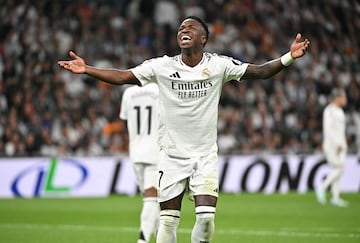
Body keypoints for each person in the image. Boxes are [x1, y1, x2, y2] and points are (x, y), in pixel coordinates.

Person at [58, 16, 310, 243]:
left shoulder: (219, 65)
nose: (183, 29)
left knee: (206, 217)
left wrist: (288, 58)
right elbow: (123, 76)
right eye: (181, 27)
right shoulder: (162, 66)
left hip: (204, 156)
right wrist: (87, 69)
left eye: (191, 27)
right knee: (167, 221)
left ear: (203, 38)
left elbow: (261, 71)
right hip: (170, 155)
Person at [119, 83, 160, 242]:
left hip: (136, 151)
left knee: (151, 200)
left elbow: (125, 121)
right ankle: (142, 240)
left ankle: (162, 239)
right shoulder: (158, 90)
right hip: (155, 151)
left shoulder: (128, 93)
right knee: (152, 199)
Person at [316, 88, 348, 207]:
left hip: (341, 144)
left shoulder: (339, 111)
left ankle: (335, 197)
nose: (345, 100)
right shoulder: (329, 111)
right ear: (337, 98)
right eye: (344, 97)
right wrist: (337, 143)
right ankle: (322, 187)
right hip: (333, 145)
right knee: (339, 168)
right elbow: (328, 130)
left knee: (339, 170)